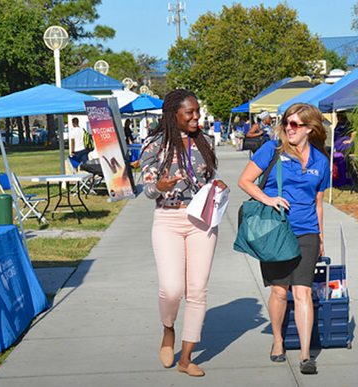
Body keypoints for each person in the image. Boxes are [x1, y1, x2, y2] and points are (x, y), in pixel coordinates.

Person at [140, 89, 228, 377]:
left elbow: (209, 176)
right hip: (168, 219)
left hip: (202, 220)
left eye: (197, 111)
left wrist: (218, 185)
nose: (196, 117)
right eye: (189, 112)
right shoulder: (154, 144)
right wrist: (160, 187)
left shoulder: (206, 142)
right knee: (172, 288)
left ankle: (186, 359)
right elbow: (147, 189)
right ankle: (168, 330)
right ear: (172, 114)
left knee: (197, 291)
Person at [238, 103, 330, 375]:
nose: (288, 128)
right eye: (286, 123)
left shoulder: (320, 161)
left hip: (307, 232)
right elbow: (245, 181)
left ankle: (305, 355)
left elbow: (319, 203)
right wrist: (268, 198)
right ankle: (278, 340)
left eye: (295, 124)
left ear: (309, 129)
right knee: (279, 291)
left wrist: (321, 237)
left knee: (302, 291)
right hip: (275, 231)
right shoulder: (272, 150)